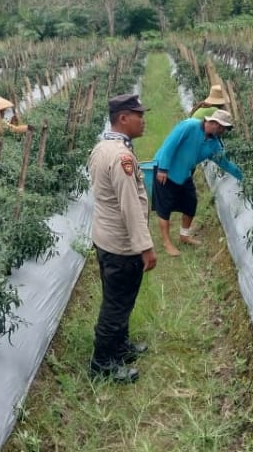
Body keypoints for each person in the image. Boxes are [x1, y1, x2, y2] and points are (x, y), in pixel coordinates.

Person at [87, 93, 157, 383]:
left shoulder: (102, 147)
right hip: (121, 246)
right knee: (115, 306)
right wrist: (145, 247)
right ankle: (102, 363)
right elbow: (130, 206)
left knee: (119, 300)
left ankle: (120, 347)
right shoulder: (121, 157)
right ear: (123, 118)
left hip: (105, 238)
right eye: (139, 115)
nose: (143, 120)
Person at [152, 109, 243, 256]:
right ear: (216, 124)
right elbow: (170, 144)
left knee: (190, 203)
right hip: (166, 171)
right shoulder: (190, 126)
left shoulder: (214, 144)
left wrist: (243, 177)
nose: (223, 132)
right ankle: (167, 242)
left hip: (184, 174)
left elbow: (224, 163)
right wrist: (163, 168)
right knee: (164, 207)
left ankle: (184, 236)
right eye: (223, 128)